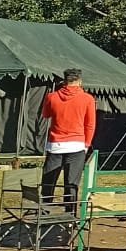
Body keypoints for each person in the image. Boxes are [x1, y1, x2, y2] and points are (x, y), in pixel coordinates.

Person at [40, 68, 96, 208]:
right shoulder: (88, 99)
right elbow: (90, 124)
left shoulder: (51, 97)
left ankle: (44, 211)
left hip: (55, 145)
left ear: (64, 81)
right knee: (71, 183)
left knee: (48, 181)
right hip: (77, 145)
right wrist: (86, 144)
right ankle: (69, 215)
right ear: (80, 81)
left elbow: (45, 115)